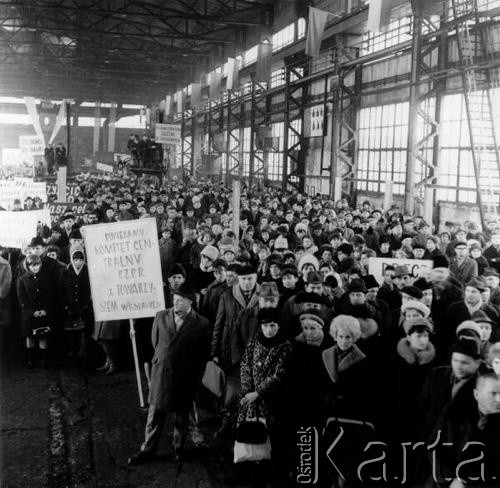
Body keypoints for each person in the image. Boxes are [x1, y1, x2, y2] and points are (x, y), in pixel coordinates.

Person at [128, 282, 211, 465]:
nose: (176, 303)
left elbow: (202, 354)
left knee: (182, 416)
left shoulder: (202, 324)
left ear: (191, 302)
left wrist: (196, 379)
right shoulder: (161, 316)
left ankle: (178, 448)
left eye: (181, 300)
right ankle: (147, 450)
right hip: (162, 373)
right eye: (175, 299)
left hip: (185, 377)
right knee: (155, 415)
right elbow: (154, 342)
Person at [234, 307, 292, 482]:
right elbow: (245, 364)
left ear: (279, 326)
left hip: (271, 400)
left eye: (273, 325)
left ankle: (271, 472)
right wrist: (247, 390)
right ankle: (250, 467)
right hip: (250, 396)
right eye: (266, 325)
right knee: (249, 433)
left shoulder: (285, 345)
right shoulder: (255, 341)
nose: (269, 329)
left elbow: (279, 374)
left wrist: (258, 392)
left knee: (271, 436)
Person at [17, 254, 57, 368]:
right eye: (32, 265)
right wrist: (32, 312)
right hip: (29, 315)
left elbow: (50, 295)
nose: (35, 267)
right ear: (27, 266)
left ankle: (43, 359)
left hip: (44, 312)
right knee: (30, 336)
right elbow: (22, 298)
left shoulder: (46, 278)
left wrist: (45, 309)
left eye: (37, 265)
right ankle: (31, 359)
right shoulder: (22, 279)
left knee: (43, 335)